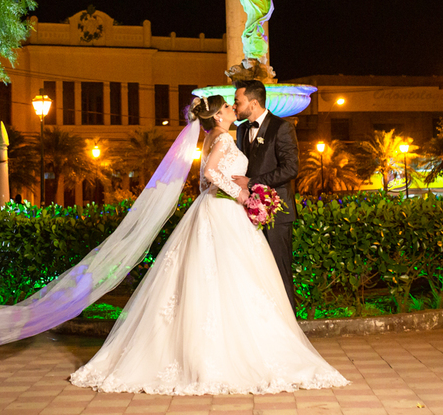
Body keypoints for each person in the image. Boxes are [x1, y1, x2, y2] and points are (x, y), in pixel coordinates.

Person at [69, 95, 348, 396]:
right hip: (224, 212)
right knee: (232, 276)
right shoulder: (225, 139)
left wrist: (232, 194)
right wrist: (240, 195)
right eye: (228, 107)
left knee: (213, 277)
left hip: (212, 208)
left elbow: (205, 184)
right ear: (217, 116)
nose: (233, 109)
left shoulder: (212, 138)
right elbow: (211, 174)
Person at [231, 79, 298, 311]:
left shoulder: (282, 127)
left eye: (237, 102)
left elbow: (291, 169)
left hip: (276, 212)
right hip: (247, 212)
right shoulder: (240, 130)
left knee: (279, 271)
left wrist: (253, 182)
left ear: (254, 102)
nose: (234, 106)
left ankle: (291, 327)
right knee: (256, 272)